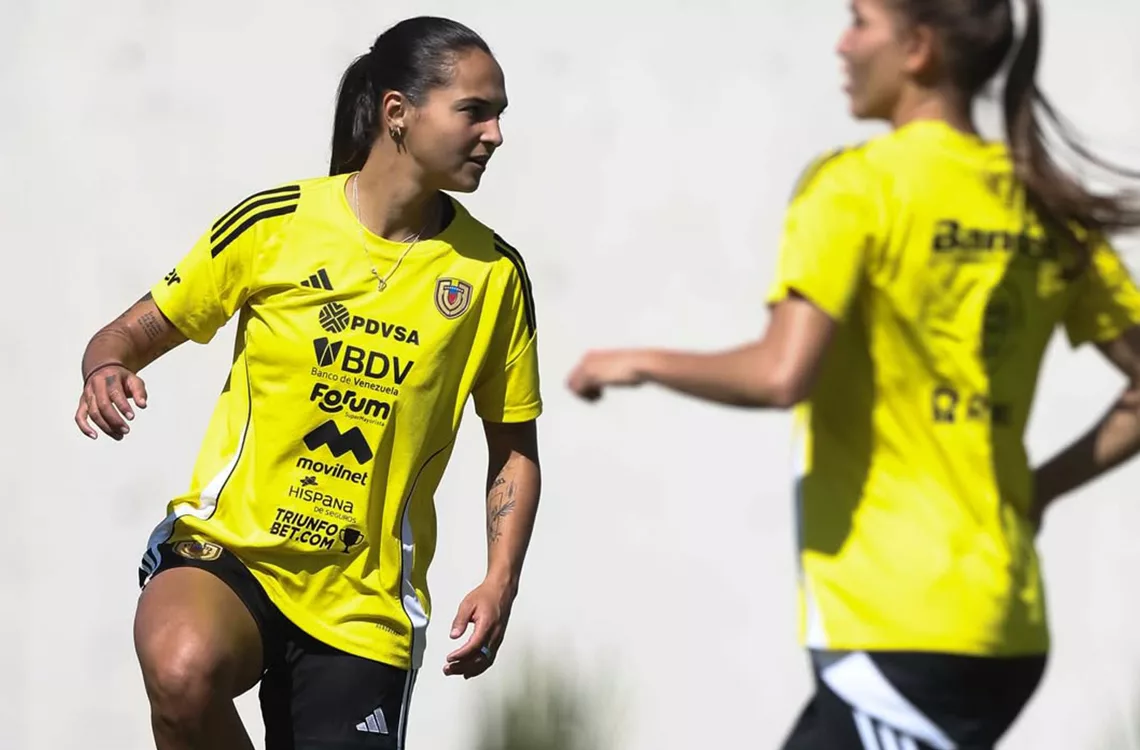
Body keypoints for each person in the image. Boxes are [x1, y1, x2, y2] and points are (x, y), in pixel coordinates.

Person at [568, 0, 1140, 747]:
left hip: (902, 635)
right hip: (1005, 623)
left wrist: (638, 360)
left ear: (919, 50)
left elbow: (781, 373)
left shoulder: (856, 186)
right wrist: (1040, 488)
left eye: (861, 21)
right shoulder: (1041, 202)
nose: (842, 44)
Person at [74, 16, 542, 750]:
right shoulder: (277, 224)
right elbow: (130, 331)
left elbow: (513, 445)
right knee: (181, 667)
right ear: (397, 113)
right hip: (234, 556)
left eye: (500, 115)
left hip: (365, 603)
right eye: (474, 112)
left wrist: (499, 580)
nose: (494, 135)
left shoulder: (492, 275)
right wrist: (106, 369)